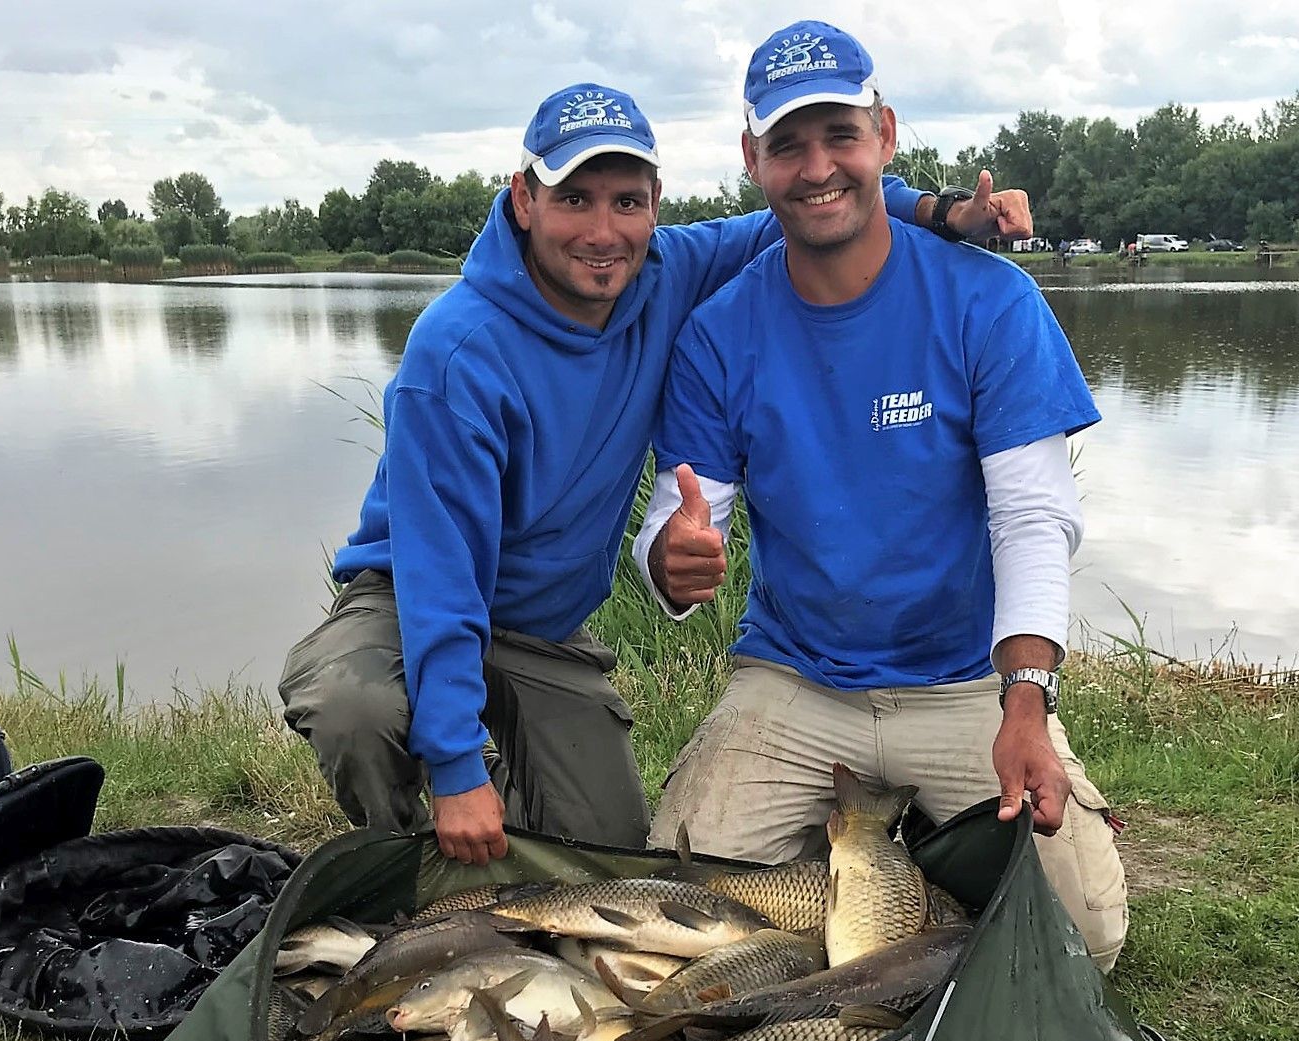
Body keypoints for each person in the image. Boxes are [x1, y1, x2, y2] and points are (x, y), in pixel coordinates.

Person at [278, 81, 1033, 867]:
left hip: (539, 626)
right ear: (524, 199)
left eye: (627, 202)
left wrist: (942, 214)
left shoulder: (665, 274)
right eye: (575, 198)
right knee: (355, 708)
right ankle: (418, 863)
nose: (604, 232)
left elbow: (817, 198)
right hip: (409, 599)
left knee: (613, 853)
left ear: (655, 205)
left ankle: (494, 807)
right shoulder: (455, 351)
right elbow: (442, 577)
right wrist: (458, 766)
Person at [632, 22, 1127, 969]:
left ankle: (904, 871)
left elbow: (1032, 517)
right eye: (787, 145)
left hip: (967, 680)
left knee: (1088, 942)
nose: (818, 168)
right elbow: (680, 519)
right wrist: (672, 560)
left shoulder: (991, 301)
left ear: (885, 136)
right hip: (796, 676)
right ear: (753, 160)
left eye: (840, 137)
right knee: (680, 929)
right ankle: (891, 868)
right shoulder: (716, 332)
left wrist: (1027, 700)